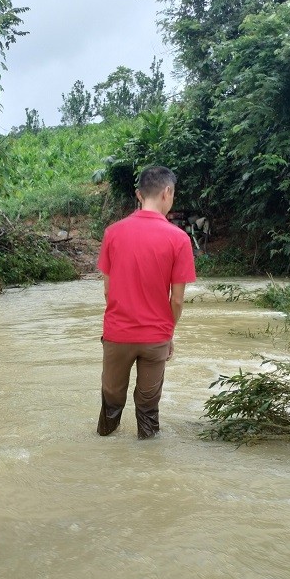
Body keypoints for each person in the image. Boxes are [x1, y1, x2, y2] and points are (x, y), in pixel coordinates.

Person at [96, 166, 197, 439]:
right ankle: (148, 466)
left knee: (111, 403)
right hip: (155, 338)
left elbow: (108, 291)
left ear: (139, 195)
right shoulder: (179, 239)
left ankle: (104, 450)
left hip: (117, 335)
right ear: (167, 192)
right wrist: (168, 334)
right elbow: (176, 300)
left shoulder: (113, 232)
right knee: (148, 410)